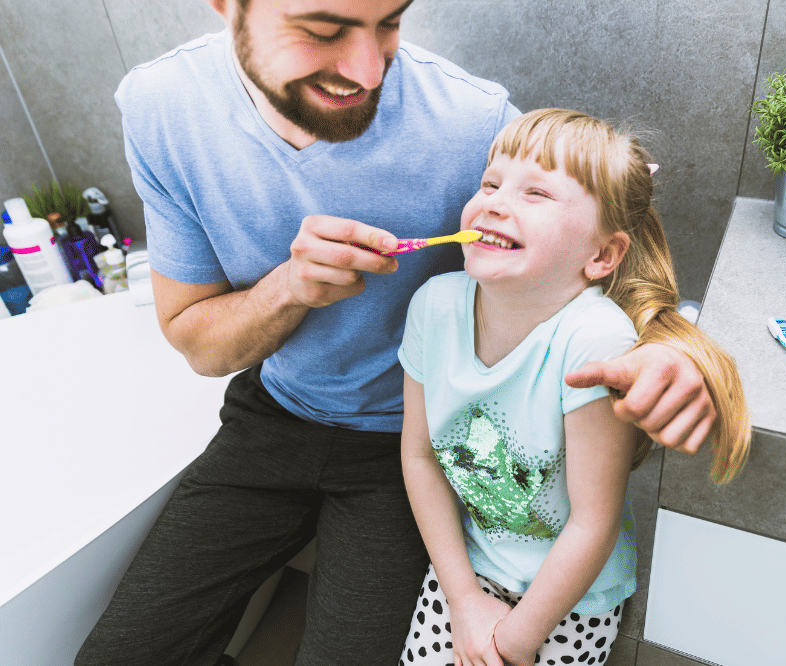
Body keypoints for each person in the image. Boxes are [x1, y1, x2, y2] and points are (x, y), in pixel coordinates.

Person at [76, 2, 728, 665]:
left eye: (389, 21)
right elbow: (198, 345)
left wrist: (676, 354)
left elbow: (601, 255)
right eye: (323, 30)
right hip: (270, 418)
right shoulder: (160, 107)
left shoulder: (474, 120)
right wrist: (287, 288)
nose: (367, 69)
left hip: (398, 447)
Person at [396, 109, 749, 666]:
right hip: (466, 575)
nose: (493, 200)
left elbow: (593, 521)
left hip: (572, 601)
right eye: (490, 183)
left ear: (602, 256)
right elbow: (419, 458)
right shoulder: (432, 306)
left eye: (536, 193)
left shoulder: (594, 339)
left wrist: (514, 640)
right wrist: (463, 600)